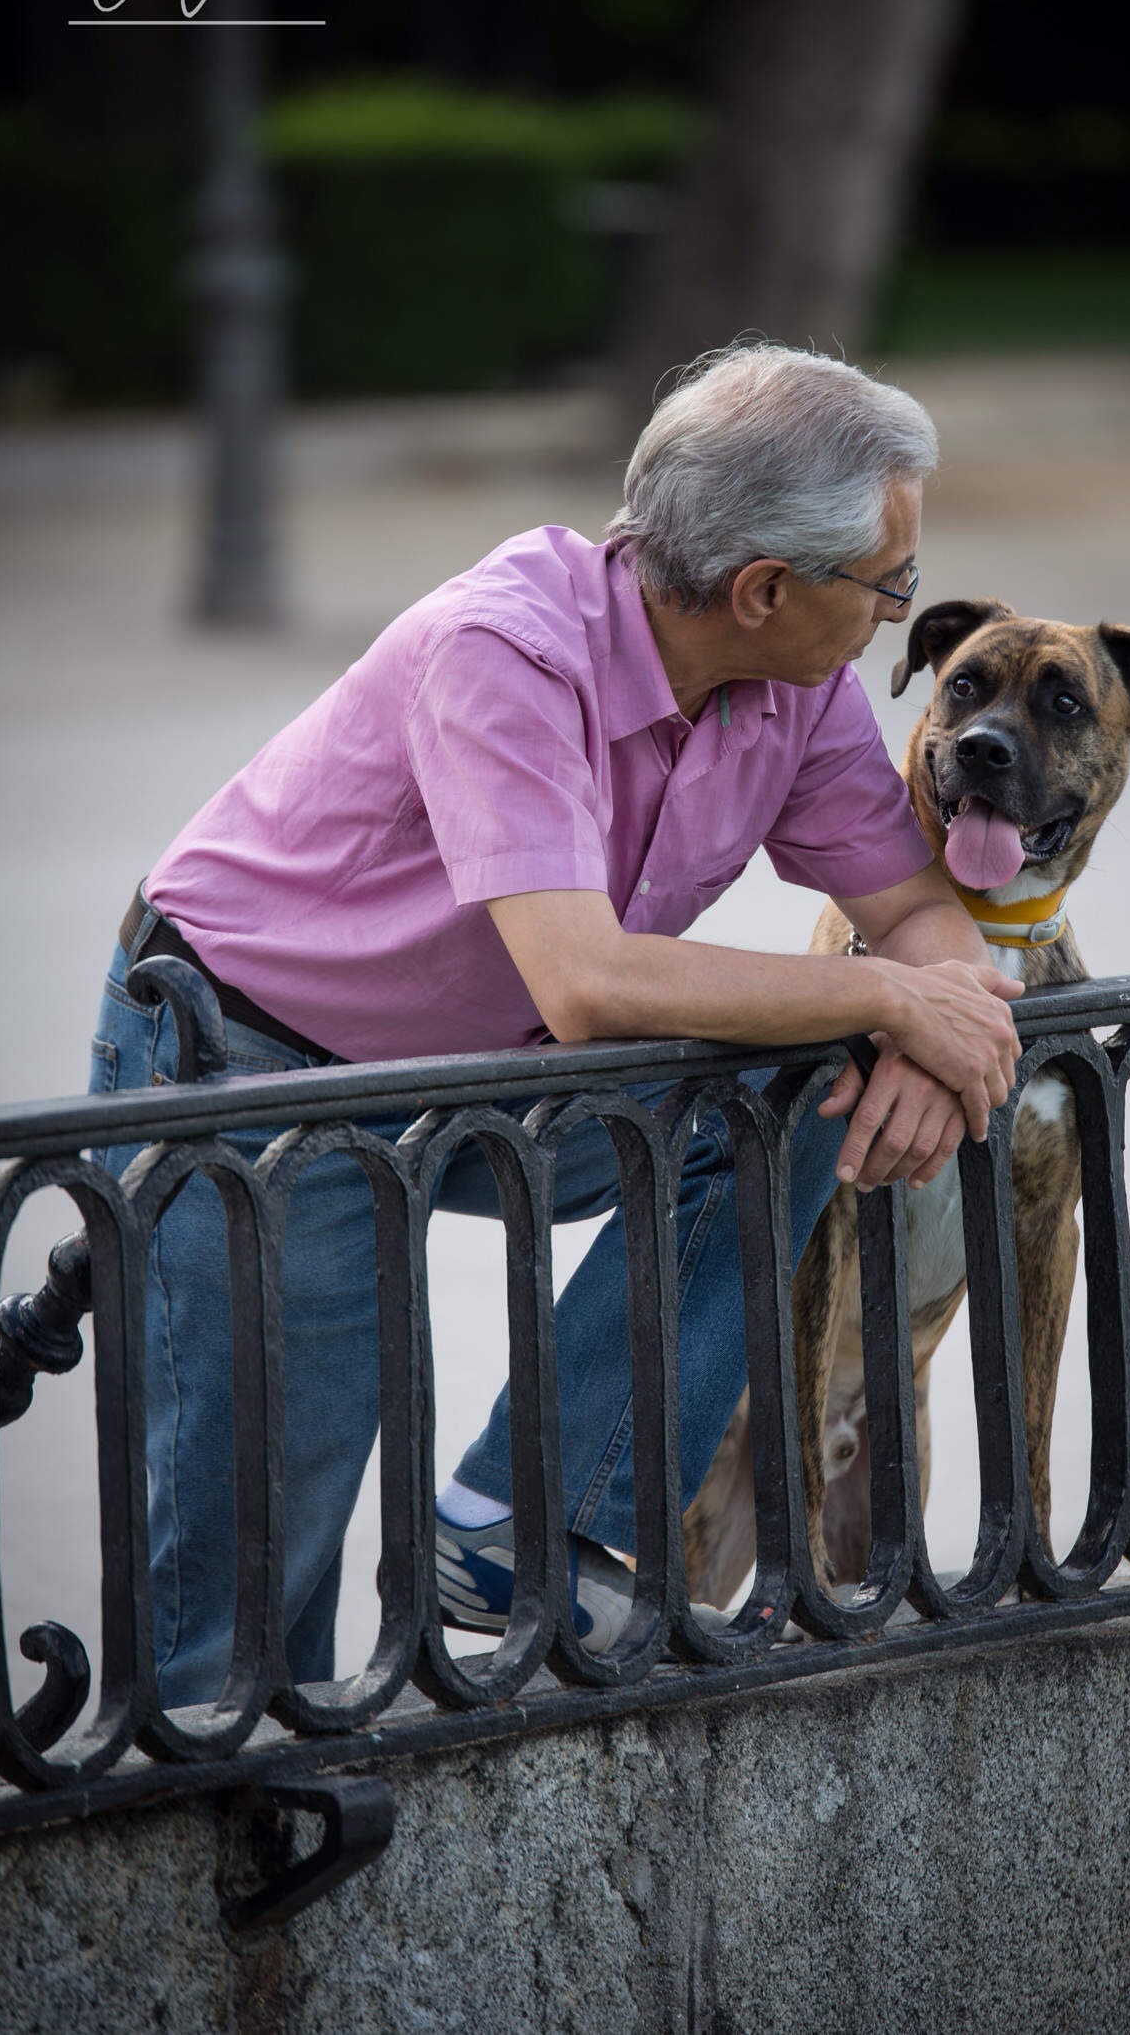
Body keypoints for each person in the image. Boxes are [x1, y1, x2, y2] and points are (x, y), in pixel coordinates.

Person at [91, 343, 1021, 1705]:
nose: (897, 616)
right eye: (892, 587)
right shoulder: (507, 648)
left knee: (792, 1095)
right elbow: (586, 982)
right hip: (254, 1061)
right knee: (253, 1587)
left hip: (494, 1067)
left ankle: (532, 1522)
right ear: (767, 588)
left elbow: (919, 910)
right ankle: (203, 1850)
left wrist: (940, 1036)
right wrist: (895, 998)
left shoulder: (797, 680)